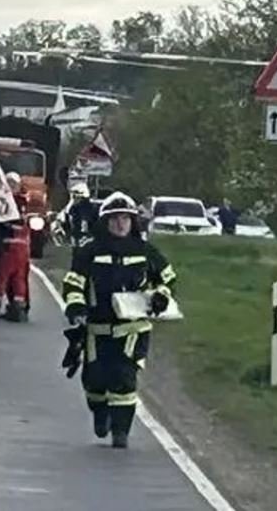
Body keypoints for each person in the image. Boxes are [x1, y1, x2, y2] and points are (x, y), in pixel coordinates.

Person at [62, 191, 177, 449]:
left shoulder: (145, 251)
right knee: (94, 380)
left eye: (125, 218)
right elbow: (73, 283)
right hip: (96, 327)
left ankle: (121, 431)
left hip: (133, 327)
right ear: (105, 222)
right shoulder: (89, 251)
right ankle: (100, 413)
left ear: (133, 221)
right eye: (114, 219)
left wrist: (161, 296)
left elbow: (168, 278)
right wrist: (76, 306)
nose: (120, 223)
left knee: (124, 375)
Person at [0, 173, 31, 322]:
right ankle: (19, 305)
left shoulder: (7, 200)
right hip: (22, 247)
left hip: (9, 245)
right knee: (18, 278)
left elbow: (1, 220)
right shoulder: (23, 200)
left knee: (2, 276)